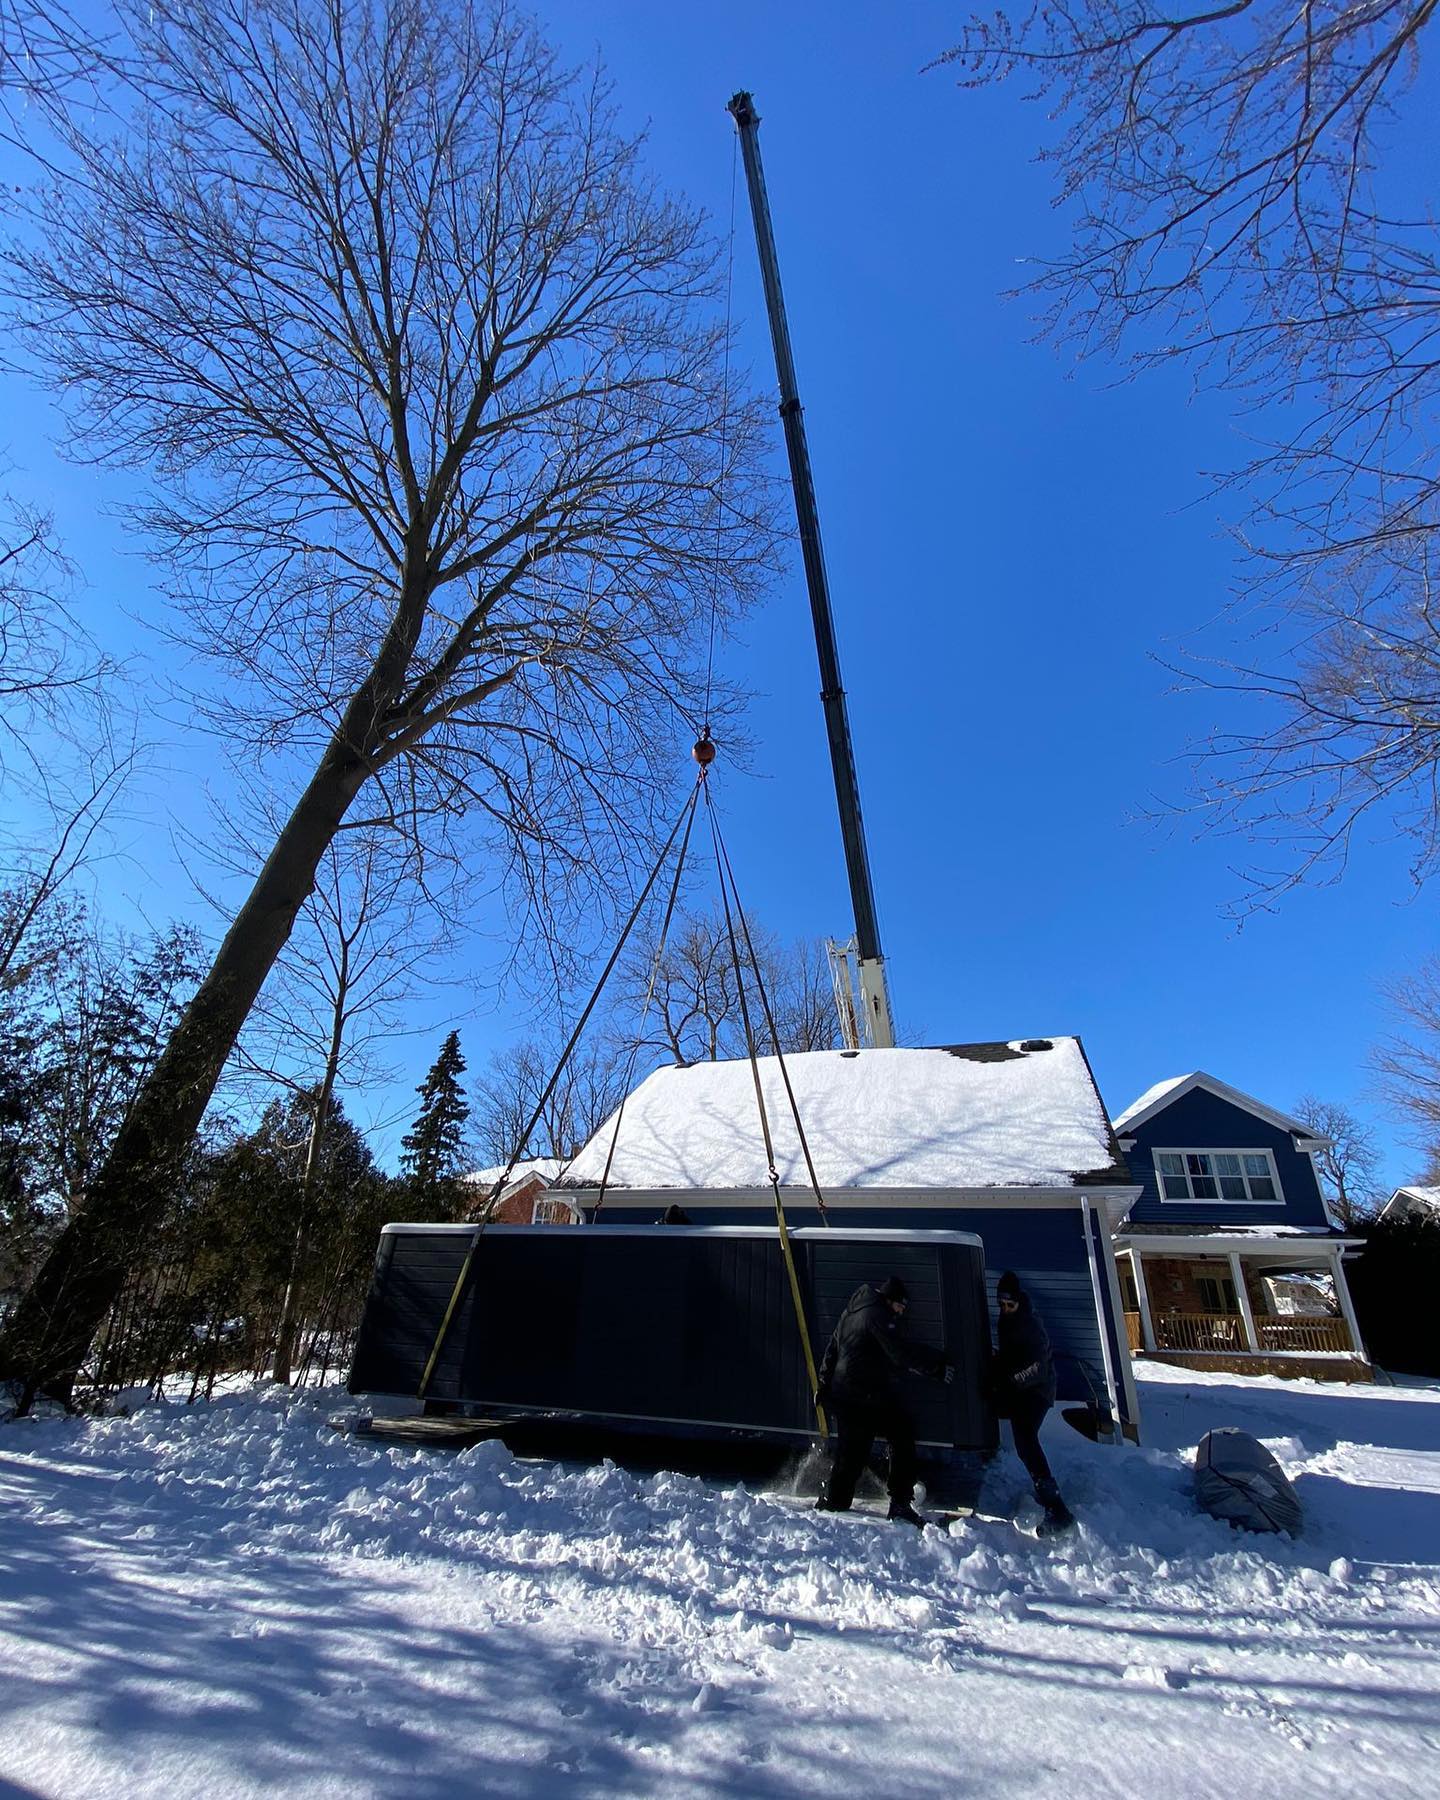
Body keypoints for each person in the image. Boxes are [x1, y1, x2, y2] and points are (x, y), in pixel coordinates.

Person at [814, 1275, 953, 1528]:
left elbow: (832, 1347)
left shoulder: (852, 1310)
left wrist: (823, 1384)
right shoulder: (878, 1316)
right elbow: (899, 1353)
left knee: (852, 1452)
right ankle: (899, 1502)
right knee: (901, 1433)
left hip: (846, 1393)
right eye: (901, 1306)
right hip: (862, 1396)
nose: (901, 1313)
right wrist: (936, 1366)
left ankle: (834, 1501)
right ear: (891, 1300)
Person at [992, 1269, 1074, 1536]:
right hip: (1020, 1389)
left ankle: (1057, 1508)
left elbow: (1036, 1368)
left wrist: (1009, 1381)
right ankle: (1044, 1491)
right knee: (1022, 1442)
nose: (1006, 1309)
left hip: (1037, 1390)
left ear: (1019, 1301)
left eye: (1010, 1304)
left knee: (1026, 1440)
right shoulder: (1007, 1322)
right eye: (1002, 1305)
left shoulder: (1029, 1324)